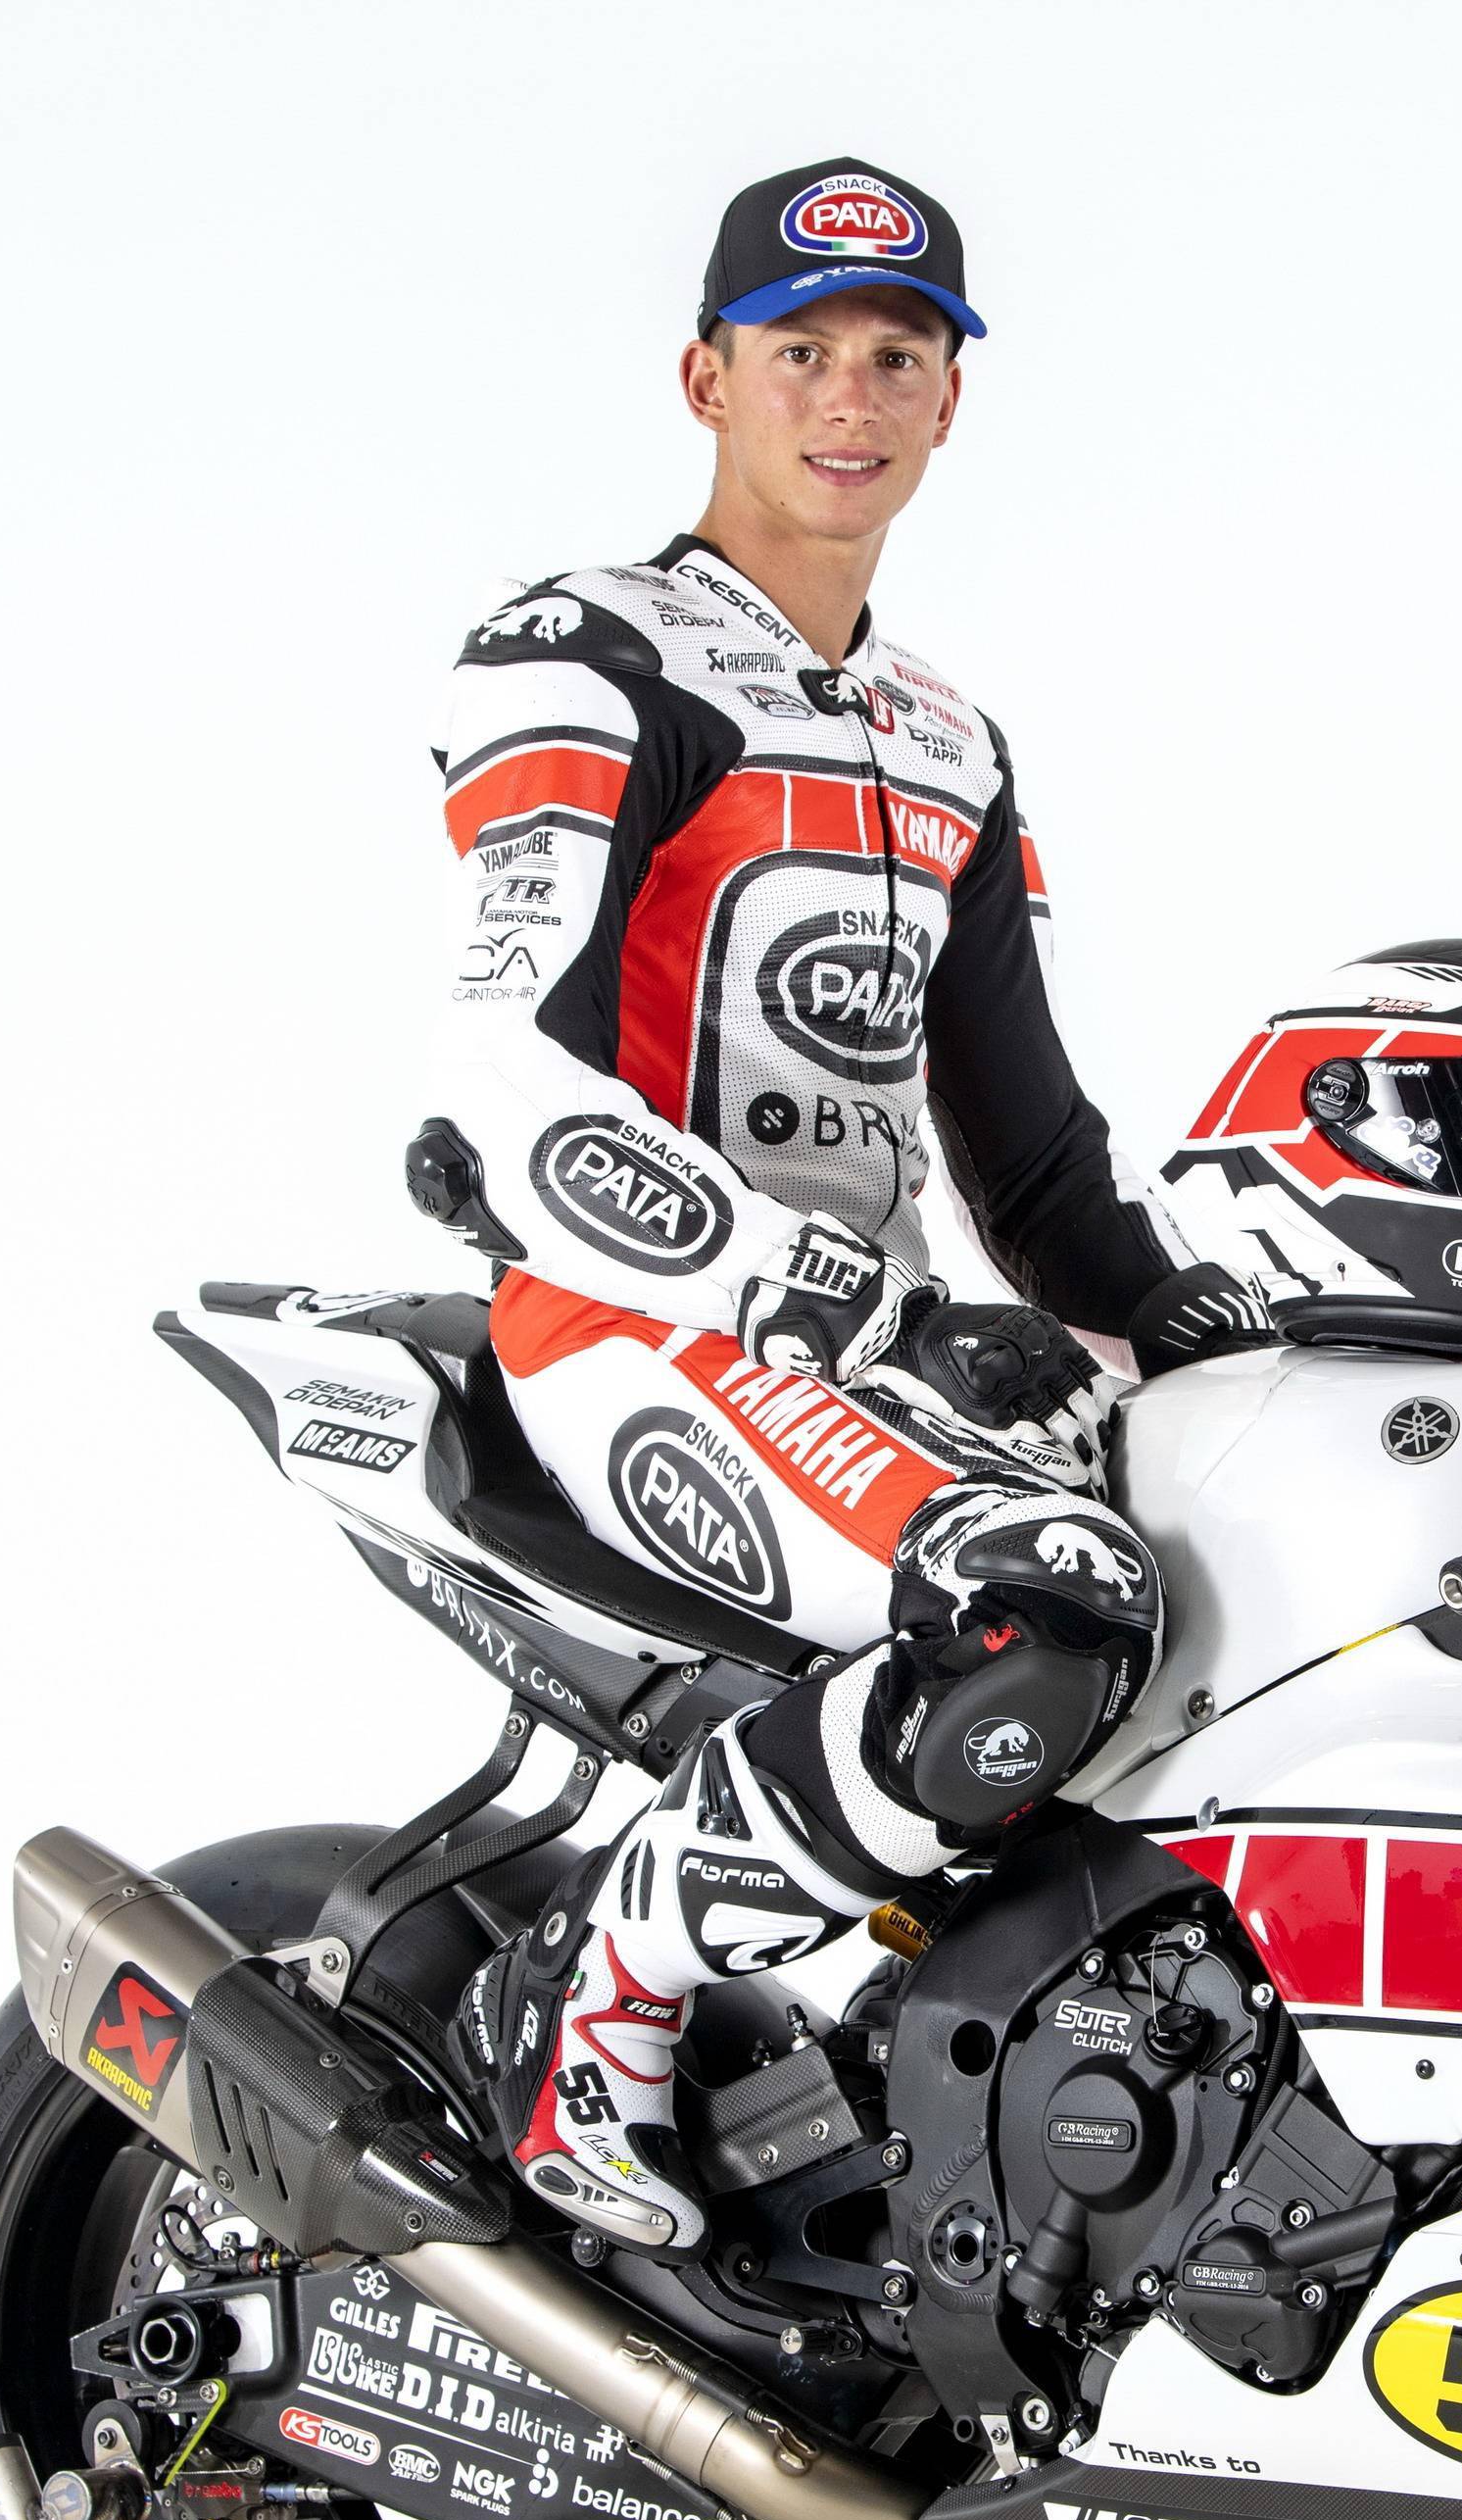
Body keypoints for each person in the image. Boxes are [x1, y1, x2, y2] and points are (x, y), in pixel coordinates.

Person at [411, 159, 1271, 2249]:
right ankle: (596, 1996)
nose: (848, 396)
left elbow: (1039, 1174)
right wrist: (849, 1308)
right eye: (798, 348)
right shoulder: (585, 654)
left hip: (879, 1362)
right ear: (706, 377)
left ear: (953, 397)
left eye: (898, 354)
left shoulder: (947, 740)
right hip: (633, 1329)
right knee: (1047, 1598)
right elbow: (501, 1093)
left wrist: (1253, 1335)